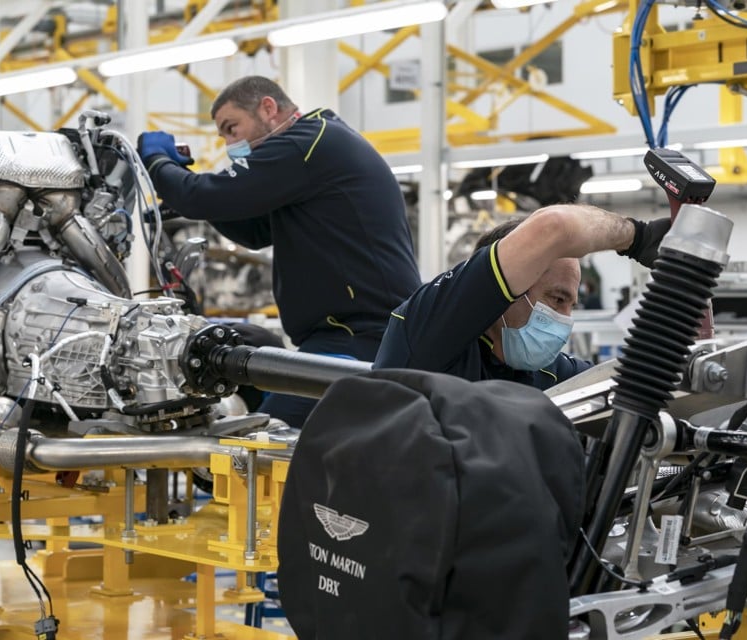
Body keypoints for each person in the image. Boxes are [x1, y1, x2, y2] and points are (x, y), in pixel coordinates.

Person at [137, 75, 421, 428]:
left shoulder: (309, 142)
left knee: (255, 454)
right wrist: (187, 191)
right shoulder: (312, 151)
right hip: (341, 336)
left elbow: (204, 195)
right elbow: (254, 231)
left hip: (360, 338)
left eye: (232, 127)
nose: (229, 143)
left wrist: (156, 162)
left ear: (268, 108)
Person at [373, 204, 671, 389]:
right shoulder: (432, 334)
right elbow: (555, 227)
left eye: (570, 306)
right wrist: (639, 237)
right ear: (507, 289)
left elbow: (632, 392)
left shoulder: (548, 372)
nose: (564, 321)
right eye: (556, 299)